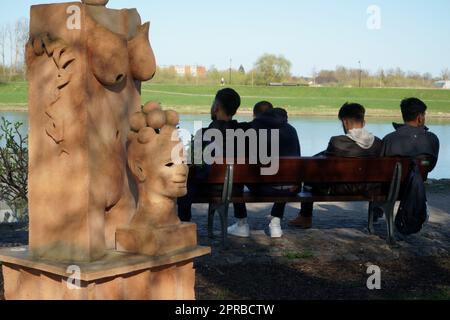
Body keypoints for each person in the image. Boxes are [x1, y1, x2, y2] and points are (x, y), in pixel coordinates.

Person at [289, 102, 383, 229]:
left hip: (339, 188)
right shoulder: (378, 143)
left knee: (310, 176)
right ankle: (374, 215)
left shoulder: (337, 141)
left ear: (345, 122)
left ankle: (305, 217)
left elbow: (323, 163)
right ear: (364, 122)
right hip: (369, 188)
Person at [227, 101, 301, 238]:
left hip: (262, 187)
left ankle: (241, 224)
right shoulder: (291, 129)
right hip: (289, 188)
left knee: (237, 174)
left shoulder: (251, 129)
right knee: (285, 177)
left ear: (255, 115)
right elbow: (297, 158)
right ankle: (275, 224)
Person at [177, 88, 249, 222]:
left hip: (210, 189)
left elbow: (194, 165)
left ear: (216, 108)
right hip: (236, 188)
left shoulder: (203, 134)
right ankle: (242, 222)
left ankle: (184, 222)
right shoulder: (245, 133)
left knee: (187, 180)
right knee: (233, 173)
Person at [382, 97, 440, 172]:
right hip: (419, 179)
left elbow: (383, 165)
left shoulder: (388, 139)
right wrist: (420, 163)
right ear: (420, 118)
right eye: (424, 115)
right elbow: (430, 165)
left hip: (395, 181)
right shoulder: (432, 139)